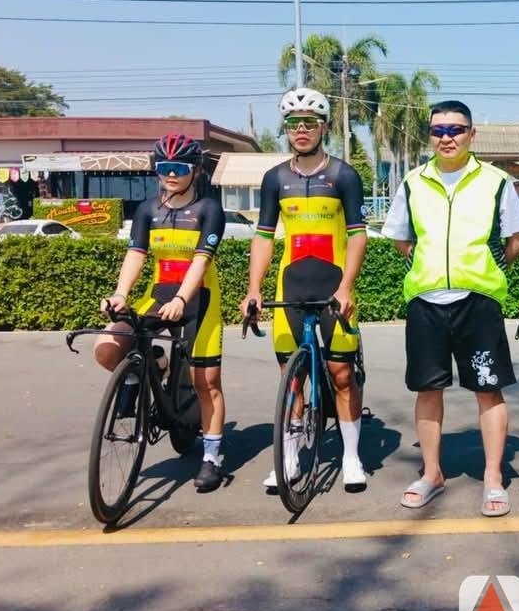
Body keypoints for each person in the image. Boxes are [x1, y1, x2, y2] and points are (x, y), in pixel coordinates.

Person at [381, 100, 519, 517]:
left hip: (477, 300)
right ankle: (432, 474)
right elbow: (400, 237)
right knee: (428, 390)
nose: (446, 138)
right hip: (426, 301)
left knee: (488, 389)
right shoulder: (413, 182)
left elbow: (515, 239)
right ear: (430, 136)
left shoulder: (496, 181)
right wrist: (424, 266)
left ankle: (493, 478)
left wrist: (487, 268)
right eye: (438, 131)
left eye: (456, 130)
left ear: (471, 134)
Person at [240, 87, 370, 492]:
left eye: (309, 122)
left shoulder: (343, 175)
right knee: (291, 377)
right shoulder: (275, 178)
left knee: (342, 375)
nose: (301, 129)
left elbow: (358, 235)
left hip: (333, 285)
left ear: (323, 127)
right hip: (291, 285)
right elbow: (263, 237)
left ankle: (351, 458)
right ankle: (291, 457)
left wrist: (347, 287)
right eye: (293, 123)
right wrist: (254, 288)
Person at [94, 132, 228, 493]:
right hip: (158, 293)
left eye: (179, 168)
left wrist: (182, 299)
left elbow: (201, 261)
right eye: (164, 167)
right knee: (107, 347)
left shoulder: (209, 210)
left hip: (198, 298)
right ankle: (150, 369)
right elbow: (136, 255)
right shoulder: (147, 209)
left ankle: (211, 456)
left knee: (206, 382)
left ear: (195, 170)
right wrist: (120, 294)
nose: (171, 174)